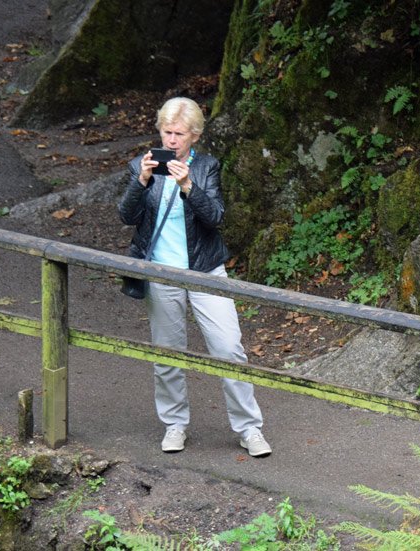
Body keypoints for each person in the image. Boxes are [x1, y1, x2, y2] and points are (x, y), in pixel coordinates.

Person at [118, 97, 271, 457]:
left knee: (229, 348)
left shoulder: (206, 168)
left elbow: (215, 217)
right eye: (166, 132)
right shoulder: (140, 167)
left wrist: (188, 186)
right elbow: (126, 217)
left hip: (206, 270)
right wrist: (140, 181)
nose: (171, 140)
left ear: (195, 136)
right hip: (161, 272)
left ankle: (249, 429)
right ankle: (174, 424)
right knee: (168, 353)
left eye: (179, 134)